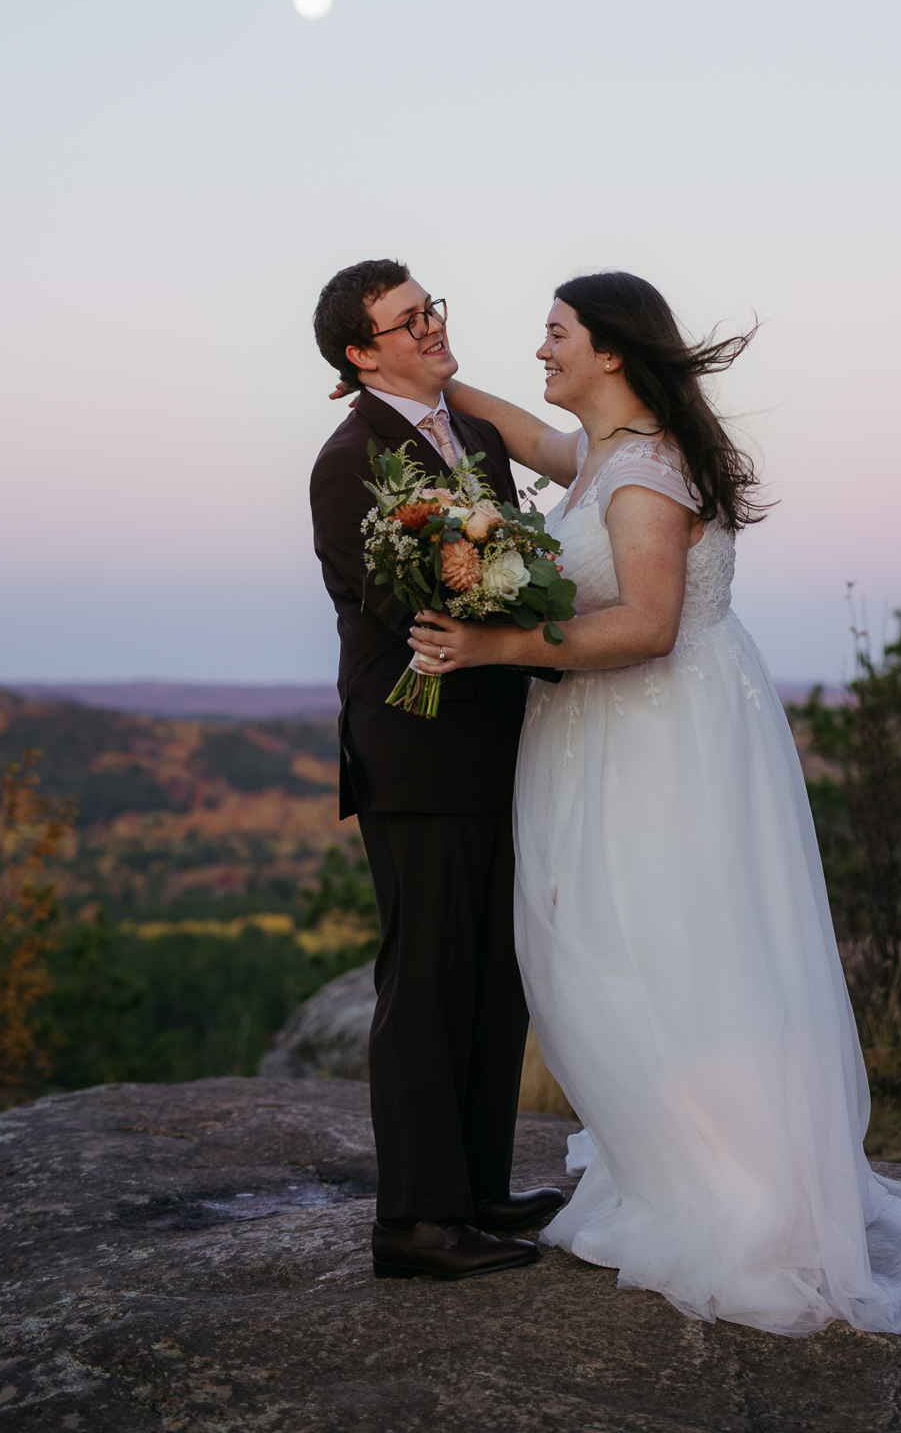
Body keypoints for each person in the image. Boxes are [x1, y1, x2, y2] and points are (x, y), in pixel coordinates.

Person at [406, 270, 901, 1336]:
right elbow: (543, 446)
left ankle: (744, 1203)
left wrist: (492, 644)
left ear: (610, 350)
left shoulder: (646, 472)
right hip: (610, 732)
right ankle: (674, 1165)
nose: (540, 350)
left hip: (659, 741)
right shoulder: (608, 450)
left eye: (555, 334)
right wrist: (440, 390)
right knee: (615, 946)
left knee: (674, 945)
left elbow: (647, 623)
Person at [309, 258, 563, 1282]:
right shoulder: (350, 458)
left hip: (500, 738)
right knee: (425, 982)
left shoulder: (481, 440)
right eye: (408, 320)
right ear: (361, 352)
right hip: (416, 749)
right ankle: (415, 1219)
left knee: (495, 976)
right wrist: (503, 593)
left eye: (432, 310)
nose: (431, 327)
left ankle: (479, 1186)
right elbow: (389, 601)